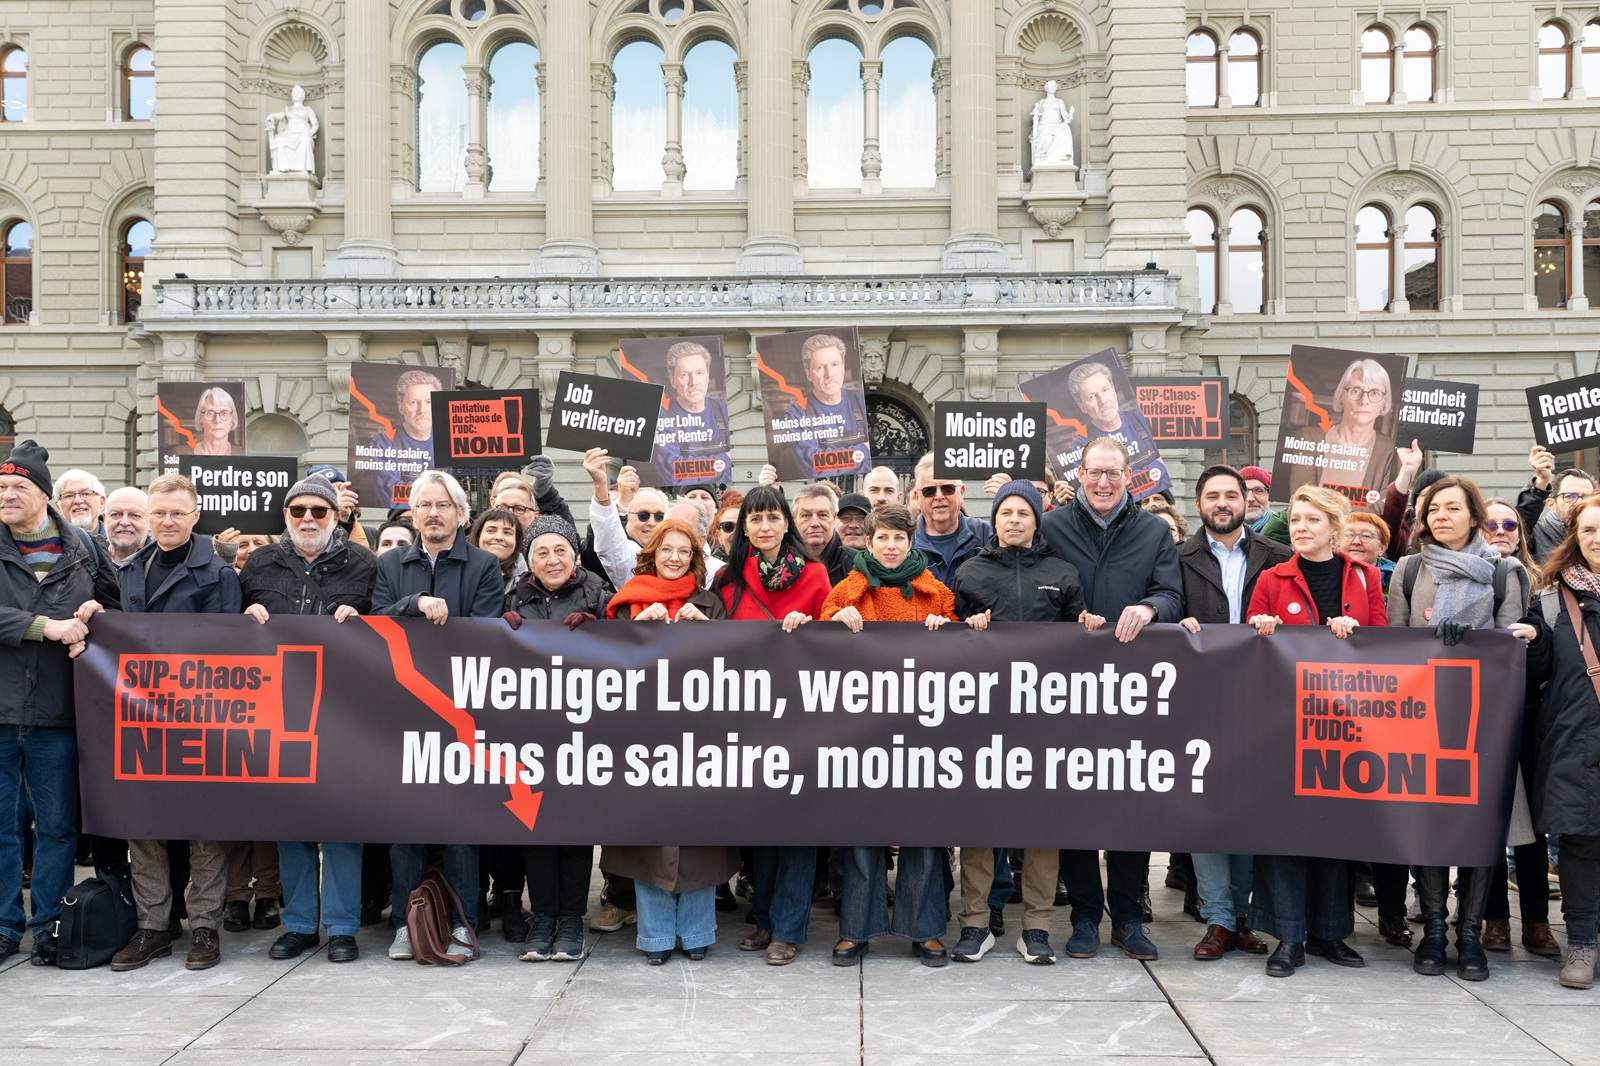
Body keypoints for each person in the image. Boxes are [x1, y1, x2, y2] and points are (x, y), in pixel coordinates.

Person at [1387, 476, 1536, 982]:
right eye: (1432, 510)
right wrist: (1431, 643)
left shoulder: (1505, 572)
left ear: (1475, 516)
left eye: (1452, 508)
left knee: (1480, 827)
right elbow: (1394, 650)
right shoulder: (1409, 570)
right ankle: (1432, 928)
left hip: (1484, 724)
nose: (1440, 517)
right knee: (1430, 824)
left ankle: (1469, 933)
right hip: (1421, 720)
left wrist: (1473, 641)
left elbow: (1510, 648)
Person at [1041, 437, 1182, 961]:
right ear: (1079, 473)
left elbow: (1172, 594)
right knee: (1075, 807)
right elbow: (1033, 589)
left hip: (1132, 692)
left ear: (1130, 477)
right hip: (1067, 692)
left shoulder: (1151, 532)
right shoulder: (1051, 527)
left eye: (1114, 474)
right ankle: (1083, 917)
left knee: (1130, 806)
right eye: (1095, 473)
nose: (1103, 483)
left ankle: (1127, 917)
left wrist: (1149, 609)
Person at [949, 480, 1096, 964]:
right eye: (1005, 512)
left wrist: (1087, 628)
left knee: (1040, 824)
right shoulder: (969, 571)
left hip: (1044, 721)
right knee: (978, 823)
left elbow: (1080, 640)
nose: (1014, 520)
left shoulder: (1062, 571)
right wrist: (965, 632)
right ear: (994, 520)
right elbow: (946, 643)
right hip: (982, 719)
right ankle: (974, 924)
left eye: (1023, 513)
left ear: (1037, 519)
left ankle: (1036, 926)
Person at [1245, 485, 1386, 977]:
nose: (1301, 528)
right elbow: (1248, 648)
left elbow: (1385, 645)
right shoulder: (1271, 578)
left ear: (1335, 527)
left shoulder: (1365, 577)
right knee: (1286, 832)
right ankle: (1288, 935)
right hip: (1284, 725)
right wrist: (1259, 628)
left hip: (1345, 726)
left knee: (1336, 831)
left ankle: (1330, 932)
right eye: (1297, 520)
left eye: (1312, 520)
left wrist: (1358, 634)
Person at [240, 477, 377, 964]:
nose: (308, 519)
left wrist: (360, 618)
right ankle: (298, 924)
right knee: (292, 820)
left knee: (341, 821)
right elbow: (233, 630)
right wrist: (246, 614)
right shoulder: (258, 562)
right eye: (298, 510)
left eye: (319, 511)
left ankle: (341, 927)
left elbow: (383, 624)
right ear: (285, 515)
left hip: (343, 708)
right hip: (280, 706)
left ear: (335, 517)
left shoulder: (363, 563)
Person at [109, 473, 242, 972]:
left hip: (202, 717)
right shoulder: (130, 568)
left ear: (195, 517)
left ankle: (205, 925)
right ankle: (153, 927)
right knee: (143, 824)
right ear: (147, 516)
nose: (166, 521)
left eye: (176, 513)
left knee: (205, 823)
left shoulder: (218, 573)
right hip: (141, 716)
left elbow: (226, 650)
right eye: (157, 513)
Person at [372, 469, 501, 962]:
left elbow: (484, 631)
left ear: (460, 513)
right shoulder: (390, 565)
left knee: (460, 828)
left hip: (459, 713)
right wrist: (416, 603)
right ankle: (409, 923)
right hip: (403, 711)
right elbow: (378, 618)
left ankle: (463, 925)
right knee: (405, 828)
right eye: (423, 505)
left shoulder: (485, 565)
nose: (431, 513)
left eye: (441, 505)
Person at [0, 440, 120, 965]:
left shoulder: (84, 550)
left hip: (61, 712)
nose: (6, 495)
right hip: (1, 711)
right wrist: (44, 626)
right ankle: (5, 926)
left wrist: (96, 611)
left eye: (17, 487)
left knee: (55, 828)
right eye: (0, 487)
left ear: (43, 496)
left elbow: (119, 611)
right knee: (2, 827)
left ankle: (49, 923)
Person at [820, 504, 955, 968]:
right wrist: (834, 624)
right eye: (883, 539)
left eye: (899, 538)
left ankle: (925, 929)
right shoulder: (847, 591)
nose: (891, 547)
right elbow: (820, 643)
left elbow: (960, 660)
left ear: (911, 541)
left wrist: (946, 630)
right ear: (869, 542)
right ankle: (856, 929)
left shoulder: (935, 593)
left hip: (922, 733)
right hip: (862, 732)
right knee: (862, 832)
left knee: (924, 831)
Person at [599, 518, 738, 964]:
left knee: (697, 841)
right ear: (652, 554)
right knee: (650, 842)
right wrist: (638, 631)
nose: (675, 558)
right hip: (644, 741)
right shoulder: (629, 602)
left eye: (684, 551)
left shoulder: (710, 604)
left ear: (695, 558)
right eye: (667, 550)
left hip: (699, 739)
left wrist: (708, 632)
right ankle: (656, 938)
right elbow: (609, 665)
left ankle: (698, 935)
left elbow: (735, 665)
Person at [1174, 465, 1290, 961]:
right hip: (1198, 696)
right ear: (1199, 505)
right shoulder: (1177, 557)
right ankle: (1217, 917)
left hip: (1263, 697)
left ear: (1246, 501)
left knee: (1249, 807)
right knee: (1206, 807)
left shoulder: (1280, 557)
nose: (1222, 503)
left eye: (1230, 495)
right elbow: (1162, 605)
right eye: (1212, 496)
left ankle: (1241, 917)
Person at [713, 486, 831, 965]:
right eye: (754, 519)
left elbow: (838, 647)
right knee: (760, 827)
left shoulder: (818, 576)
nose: (764, 527)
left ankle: (789, 928)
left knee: (798, 831)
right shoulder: (728, 579)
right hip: (749, 719)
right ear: (745, 528)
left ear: (788, 523)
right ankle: (763, 919)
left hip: (804, 717)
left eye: (772, 518)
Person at [502, 515, 612, 963]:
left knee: (574, 831)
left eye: (560, 550)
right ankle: (542, 916)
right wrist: (495, 632)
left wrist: (602, 625)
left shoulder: (600, 595)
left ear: (574, 554)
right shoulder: (513, 598)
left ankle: (570, 919)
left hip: (583, 735)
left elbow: (632, 648)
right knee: (536, 829)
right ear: (529, 560)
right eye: (541, 552)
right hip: (531, 736)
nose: (552, 559)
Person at [1524, 493, 1600, 989]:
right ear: (1575, 538)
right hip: (1577, 740)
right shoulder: (1552, 599)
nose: (1598, 539)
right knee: (1581, 845)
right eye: (1590, 530)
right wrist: (1528, 640)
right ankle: (1582, 943)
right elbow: (1537, 675)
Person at [1480, 496, 1559, 957]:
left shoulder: (1542, 584)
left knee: (1533, 827)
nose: (1501, 529)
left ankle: (1535, 921)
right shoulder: (1471, 575)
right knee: (1486, 821)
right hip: (1476, 717)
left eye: (1510, 523)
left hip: (1529, 717)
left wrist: (1537, 636)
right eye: (1490, 523)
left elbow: (1553, 661)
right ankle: (1492, 918)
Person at [1283, 358, 1396, 503]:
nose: (1364, 401)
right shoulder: (1308, 438)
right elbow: (1301, 501)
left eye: (1374, 393)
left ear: (1383, 403)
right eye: (1356, 390)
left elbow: (1382, 508)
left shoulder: (1389, 450)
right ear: (1341, 397)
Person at [1063, 360, 1170, 498]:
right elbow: (1101, 494)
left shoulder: (1140, 418)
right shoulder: (1080, 445)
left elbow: (1164, 467)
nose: (1102, 400)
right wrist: (1153, 471)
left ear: (1113, 390)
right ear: (1082, 406)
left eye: (1105, 390)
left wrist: (1120, 483)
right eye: (1091, 396)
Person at [780, 333, 869, 478]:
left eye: (834, 364)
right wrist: (862, 452)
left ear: (843, 367)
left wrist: (834, 462)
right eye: (820, 367)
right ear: (808, 373)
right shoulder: (797, 413)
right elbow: (814, 465)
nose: (829, 374)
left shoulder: (860, 401)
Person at [646, 340, 733, 486]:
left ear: (707, 376)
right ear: (672, 380)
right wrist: (724, 459)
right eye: (685, 374)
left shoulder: (724, 409)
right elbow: (674, 473)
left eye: (699, 373)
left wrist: (696, 470)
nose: (694, 382)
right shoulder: (662, 417)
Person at [585, 446, 670, 591]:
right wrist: (600, 485)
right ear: (626, 516)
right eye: (643, 515)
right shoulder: (626, 556)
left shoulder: (675, 554)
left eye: (659, 516)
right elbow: (607, 536)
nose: (651, 522)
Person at [910, 455, 993, 587]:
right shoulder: (905, 541)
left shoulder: (987, 535)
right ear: (917, 497)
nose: (939, 496)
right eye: (929, 491)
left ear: (962, 492)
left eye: (947, 488)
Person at [370, 369, 443, 508]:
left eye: (428, 402)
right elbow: (392, 493)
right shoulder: (383, 443)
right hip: (403, 522)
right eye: (414, 402)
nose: (422, 410)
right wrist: (440, 495)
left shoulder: (448, 442)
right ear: (401, 407)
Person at [1519, 446, 1596, 563]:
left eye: (1587, 497)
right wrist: (1542, 481)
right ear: (1551, 504)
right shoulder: (1535, 534)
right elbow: (1520, 524)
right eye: (1570, 496)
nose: (1580, 502)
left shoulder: (1595, 536)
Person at [793, 482, 853, 585]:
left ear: (835, 519)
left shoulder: (856, 565)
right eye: (806, 515)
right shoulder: (781, 563)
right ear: (794, 520)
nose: (814, 523)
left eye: (823, 515)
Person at [469, 506, 526, 596]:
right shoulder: (457, 571)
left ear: (516, 540)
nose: (499, 537)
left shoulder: (529, 581)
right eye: (491, 531)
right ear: (478, 535)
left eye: (507, 532)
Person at [1342, 512, 1396, 591]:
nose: (1356, 541)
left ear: (1382, 548)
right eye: (1349, 535)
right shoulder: (1325, 573)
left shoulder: (1395, 578)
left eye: (1366, 536)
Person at [102, 486, 151, 566]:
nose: (124, 522)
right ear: (105, 519)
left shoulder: (160, 565)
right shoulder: (90, 560)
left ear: (150, 521)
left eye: (135, 515)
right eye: (116, 514)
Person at [187, 386, 241, 457]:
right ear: (200, 419)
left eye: (224, 413)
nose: (217, 420)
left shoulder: (243, 453)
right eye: (210, 413)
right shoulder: (180, 454)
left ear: (232, 419)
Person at [1241, 465, 1288, 544]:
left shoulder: (1285, 531)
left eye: (1259, 490)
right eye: (1243, 491)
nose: (1250, 499)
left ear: (1270, 495)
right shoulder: (1224, 533)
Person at [53, 468, 107, 536]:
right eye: (69, 495)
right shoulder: (48, 543)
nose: (78, 501)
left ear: (102, 502)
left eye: (86, 493)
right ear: (58, 507)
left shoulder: (117, 540)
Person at [710, 490, 742, 560]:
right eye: (728, 527)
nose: (736, 532)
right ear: (719, 536)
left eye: (742, 526)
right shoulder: (711, 568)